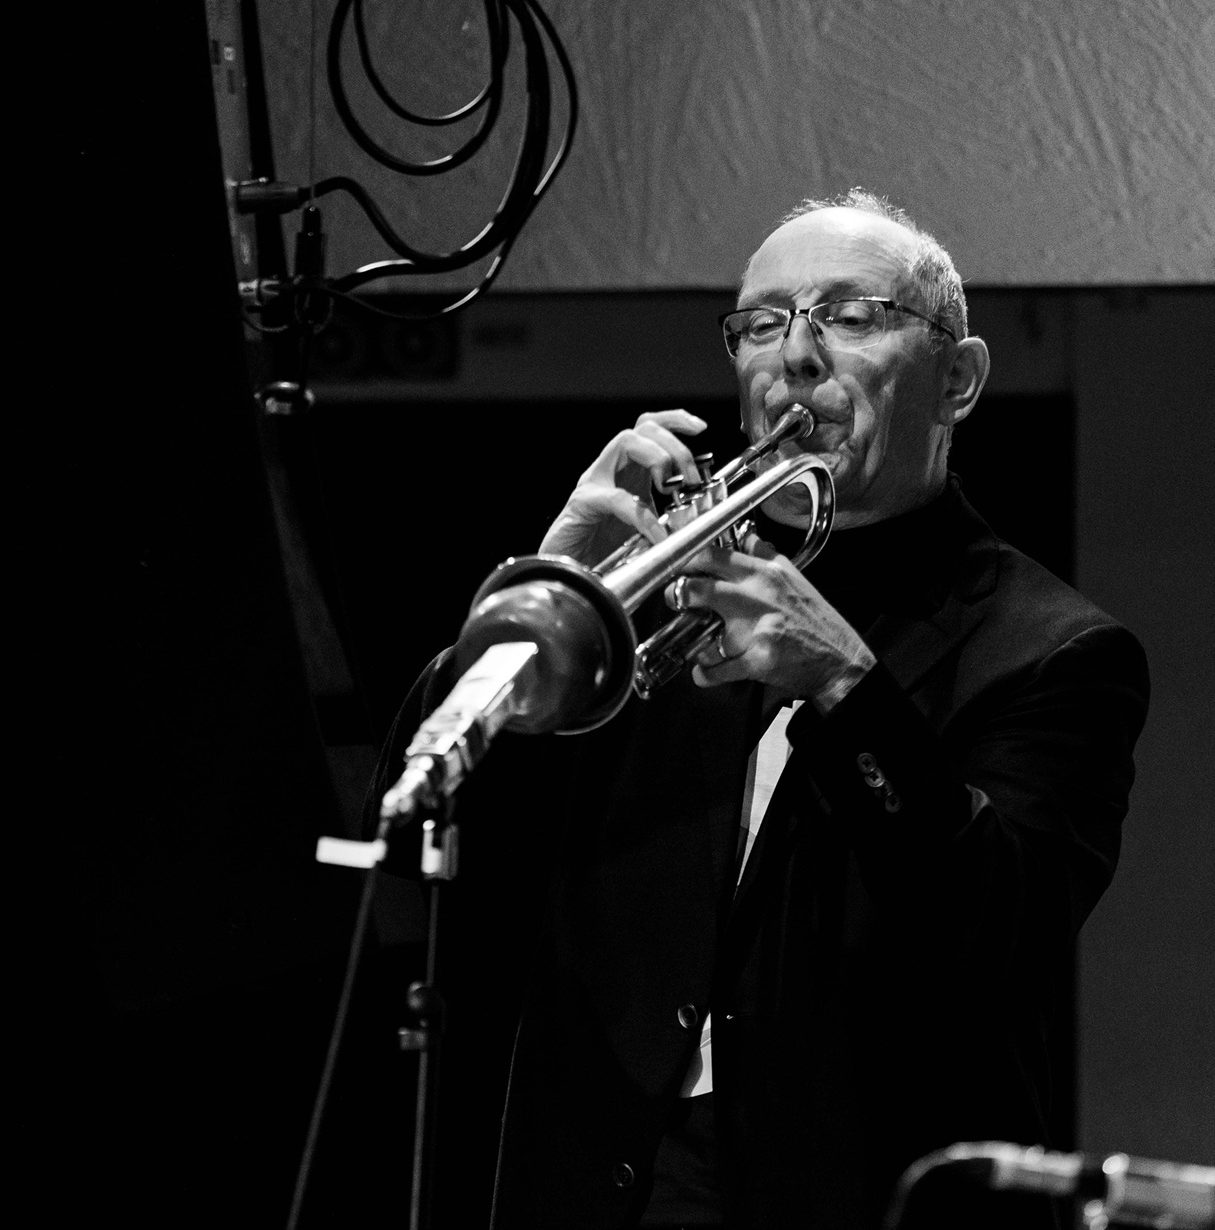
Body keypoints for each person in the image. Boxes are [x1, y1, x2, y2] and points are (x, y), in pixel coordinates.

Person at [368, 190, 1149, 1229]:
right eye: (763, 323)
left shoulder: (1053, 650)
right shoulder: (656, 592)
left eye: (852, 317)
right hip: (604, 1187)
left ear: (957, 380)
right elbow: (421, 822)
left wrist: (846, 688)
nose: (797, 355)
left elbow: (998, 932)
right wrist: (548, 602)